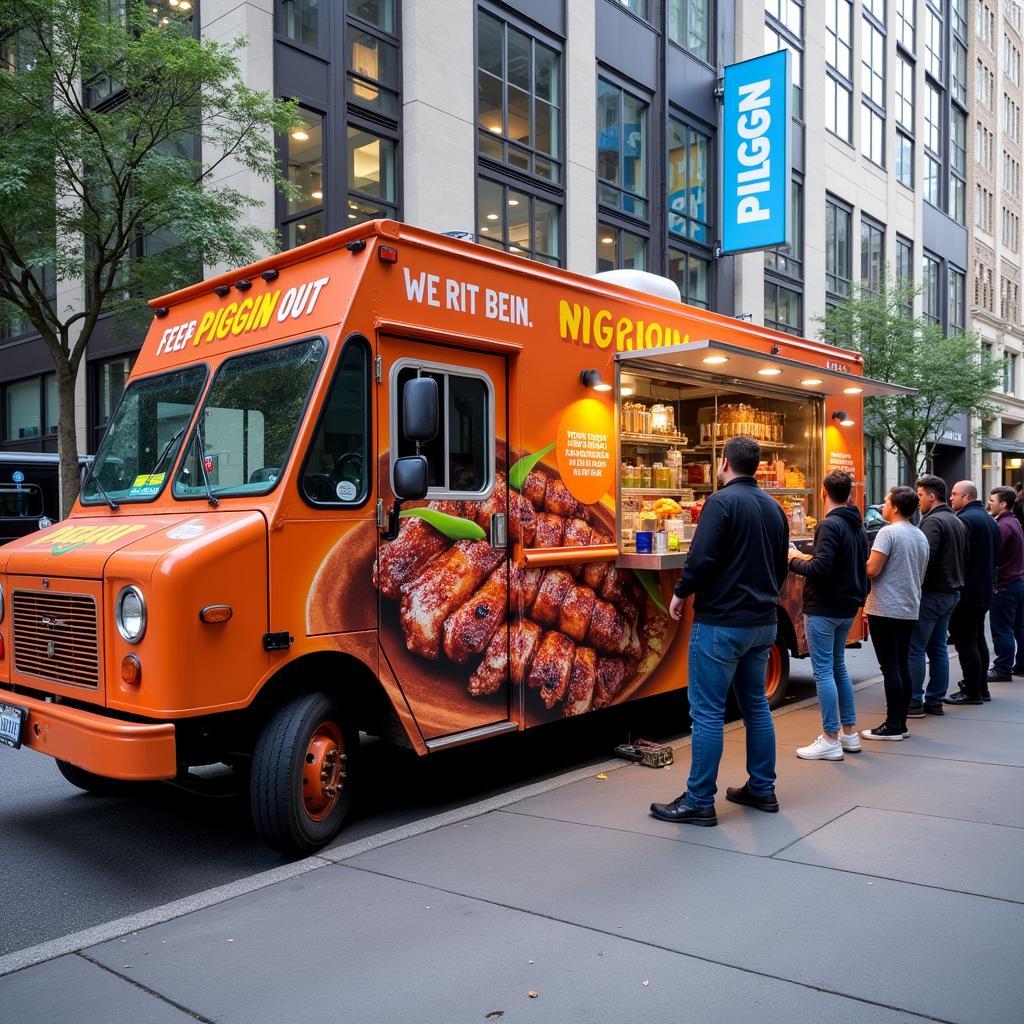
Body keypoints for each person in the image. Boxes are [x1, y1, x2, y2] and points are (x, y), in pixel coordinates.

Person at [650, 436, 789, 827]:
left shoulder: (721, 503)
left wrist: (681, 592)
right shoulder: (774, 508)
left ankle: (698, 800)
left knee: (707, 713)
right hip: (763, 622)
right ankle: (762, 788)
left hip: (721, 624)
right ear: (757, 467)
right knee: (756, 706)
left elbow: (702, 557)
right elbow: (782, 566)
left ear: (725, 463)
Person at [787, 471, 869, 760]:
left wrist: (794, 560)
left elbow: (821, 569)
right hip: (847, 606)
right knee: (838, 668)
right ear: (849, 494)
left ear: (823, 492)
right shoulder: (856, 525)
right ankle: (849, 734)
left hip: (824, 607)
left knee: (823, 671)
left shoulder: (828, 525)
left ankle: (830, 738)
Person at [861, 487, 932, 740]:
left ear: (895, 507)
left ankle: (892, 725)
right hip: (909, 607)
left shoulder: (887, 533)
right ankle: (901, 723)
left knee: (890, 667)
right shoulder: (919, 535)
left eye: (886, 502)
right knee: (901, 664)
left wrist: (860, 561)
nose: (883, 505)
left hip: (885, 608)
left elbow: (872, 570)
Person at [907, 475, 968, 718]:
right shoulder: (955, 520)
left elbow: (925, 559)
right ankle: (935, 700)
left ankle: (913, 702)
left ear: (931, 496)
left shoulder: (932, 523)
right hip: (952, 592)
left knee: (916, 649)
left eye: (920, 495)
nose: (918, 500)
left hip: (932, 594)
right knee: (938, 648)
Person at [946, 481, 1000, 705]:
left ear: (966, 497)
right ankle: (980, 687)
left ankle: (972, 691)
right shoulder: (989, 520)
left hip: (967, 591)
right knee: (977, 639)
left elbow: (958, 557)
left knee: (966, 641)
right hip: (983, 589)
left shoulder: (965, 520)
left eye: (954, 494)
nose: (951, 498)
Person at [987, 486, 1024, 682]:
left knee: (1002, 629)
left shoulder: (1003, 527)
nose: (989, 504)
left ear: (1003, 504)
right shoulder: (1014, 522)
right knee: (1019, 628)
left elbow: (995, 557)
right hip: (1018, 582)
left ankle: (1002, 668)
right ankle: (1021, 665)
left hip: (1005, 585)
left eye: (992, 501)